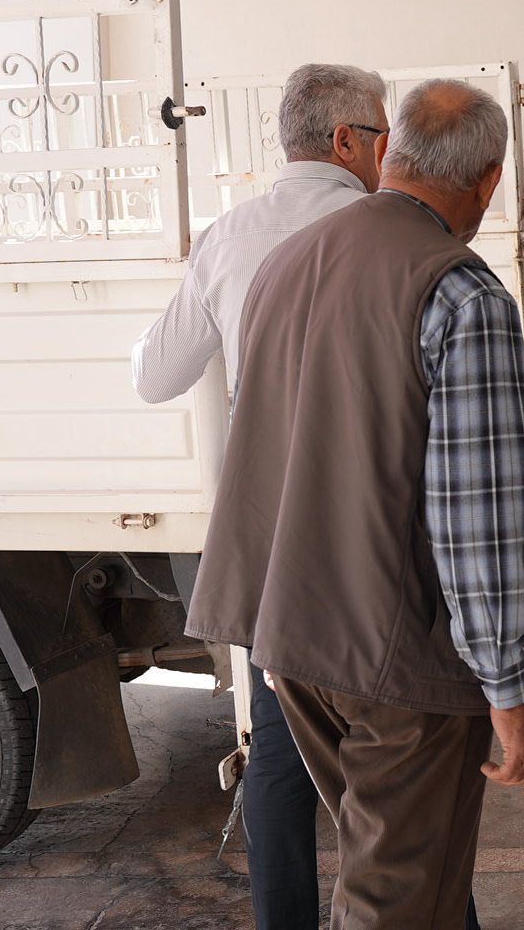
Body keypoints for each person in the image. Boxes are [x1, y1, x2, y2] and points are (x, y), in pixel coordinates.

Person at [184, 78, 524, 929]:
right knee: (394, 902)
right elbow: (478, 524)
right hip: (398, 665)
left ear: (389, 156)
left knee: (401, 872)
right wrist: (509, 694)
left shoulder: (289, 261)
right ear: (488, 179)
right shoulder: (464, 295)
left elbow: (270, 446)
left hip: (294, 637)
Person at [131, 63, 391, 930]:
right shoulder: (391, 230)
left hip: (275, 532)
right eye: (383, 134)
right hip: (376, 526)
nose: (389, 153)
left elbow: (155, 376)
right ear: (346, 140)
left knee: (283, 748)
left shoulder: (231, 235)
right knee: (404, 753)